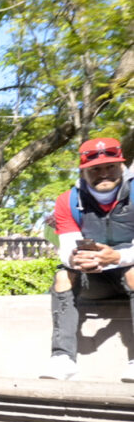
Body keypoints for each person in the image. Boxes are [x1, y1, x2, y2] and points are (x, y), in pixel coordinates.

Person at [41, 136, 134, 382]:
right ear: (84, 171)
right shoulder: (68, 200)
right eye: (96, 169)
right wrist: (78, 260)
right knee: (63, 275)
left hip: (130, 273)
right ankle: (62, 359)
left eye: (110, 166)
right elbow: (67, 248)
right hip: (95, 279)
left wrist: (117, 257)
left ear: (121, 166)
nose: (104, 173)